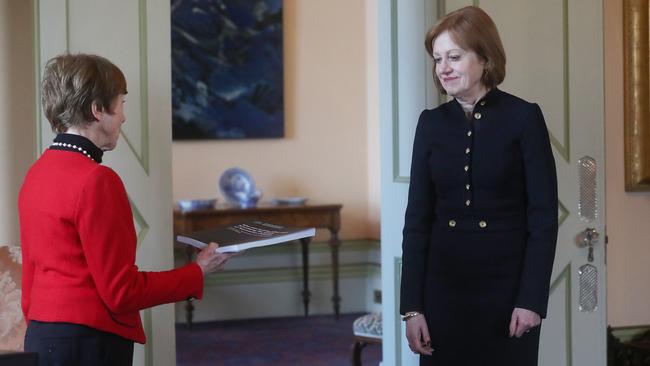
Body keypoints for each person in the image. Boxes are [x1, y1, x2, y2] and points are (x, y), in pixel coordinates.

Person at [18, 53, 234, 365]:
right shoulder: (97, 180)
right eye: (120, 103)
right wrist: (197, 271)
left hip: (42, 336)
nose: (123, 117)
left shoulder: (36, 173)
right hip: (90, 343)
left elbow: (31, 282)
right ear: (97, 110)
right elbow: (121, 292)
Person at [400, 6, 558, 366]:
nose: (443, 68)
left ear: (485, 58)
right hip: (442, 293)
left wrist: (531, 300)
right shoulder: (430, 125)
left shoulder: (524, 118)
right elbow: (417, 222)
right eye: (438, 58)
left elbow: (543, 218)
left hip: (508, 296)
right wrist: (412, 308)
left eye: (454, 56)